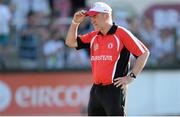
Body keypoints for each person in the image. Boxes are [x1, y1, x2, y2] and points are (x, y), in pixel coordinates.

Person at [65, 2, 150, 116]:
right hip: (96, 89)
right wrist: (75, 23)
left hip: (114, 89)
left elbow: (144, 53)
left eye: (95, 16)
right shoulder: (94, 35)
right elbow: (70, 42)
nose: (92, 20)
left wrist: (131, 76)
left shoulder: (121, 33)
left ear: (106, 15)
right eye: (91, 17)